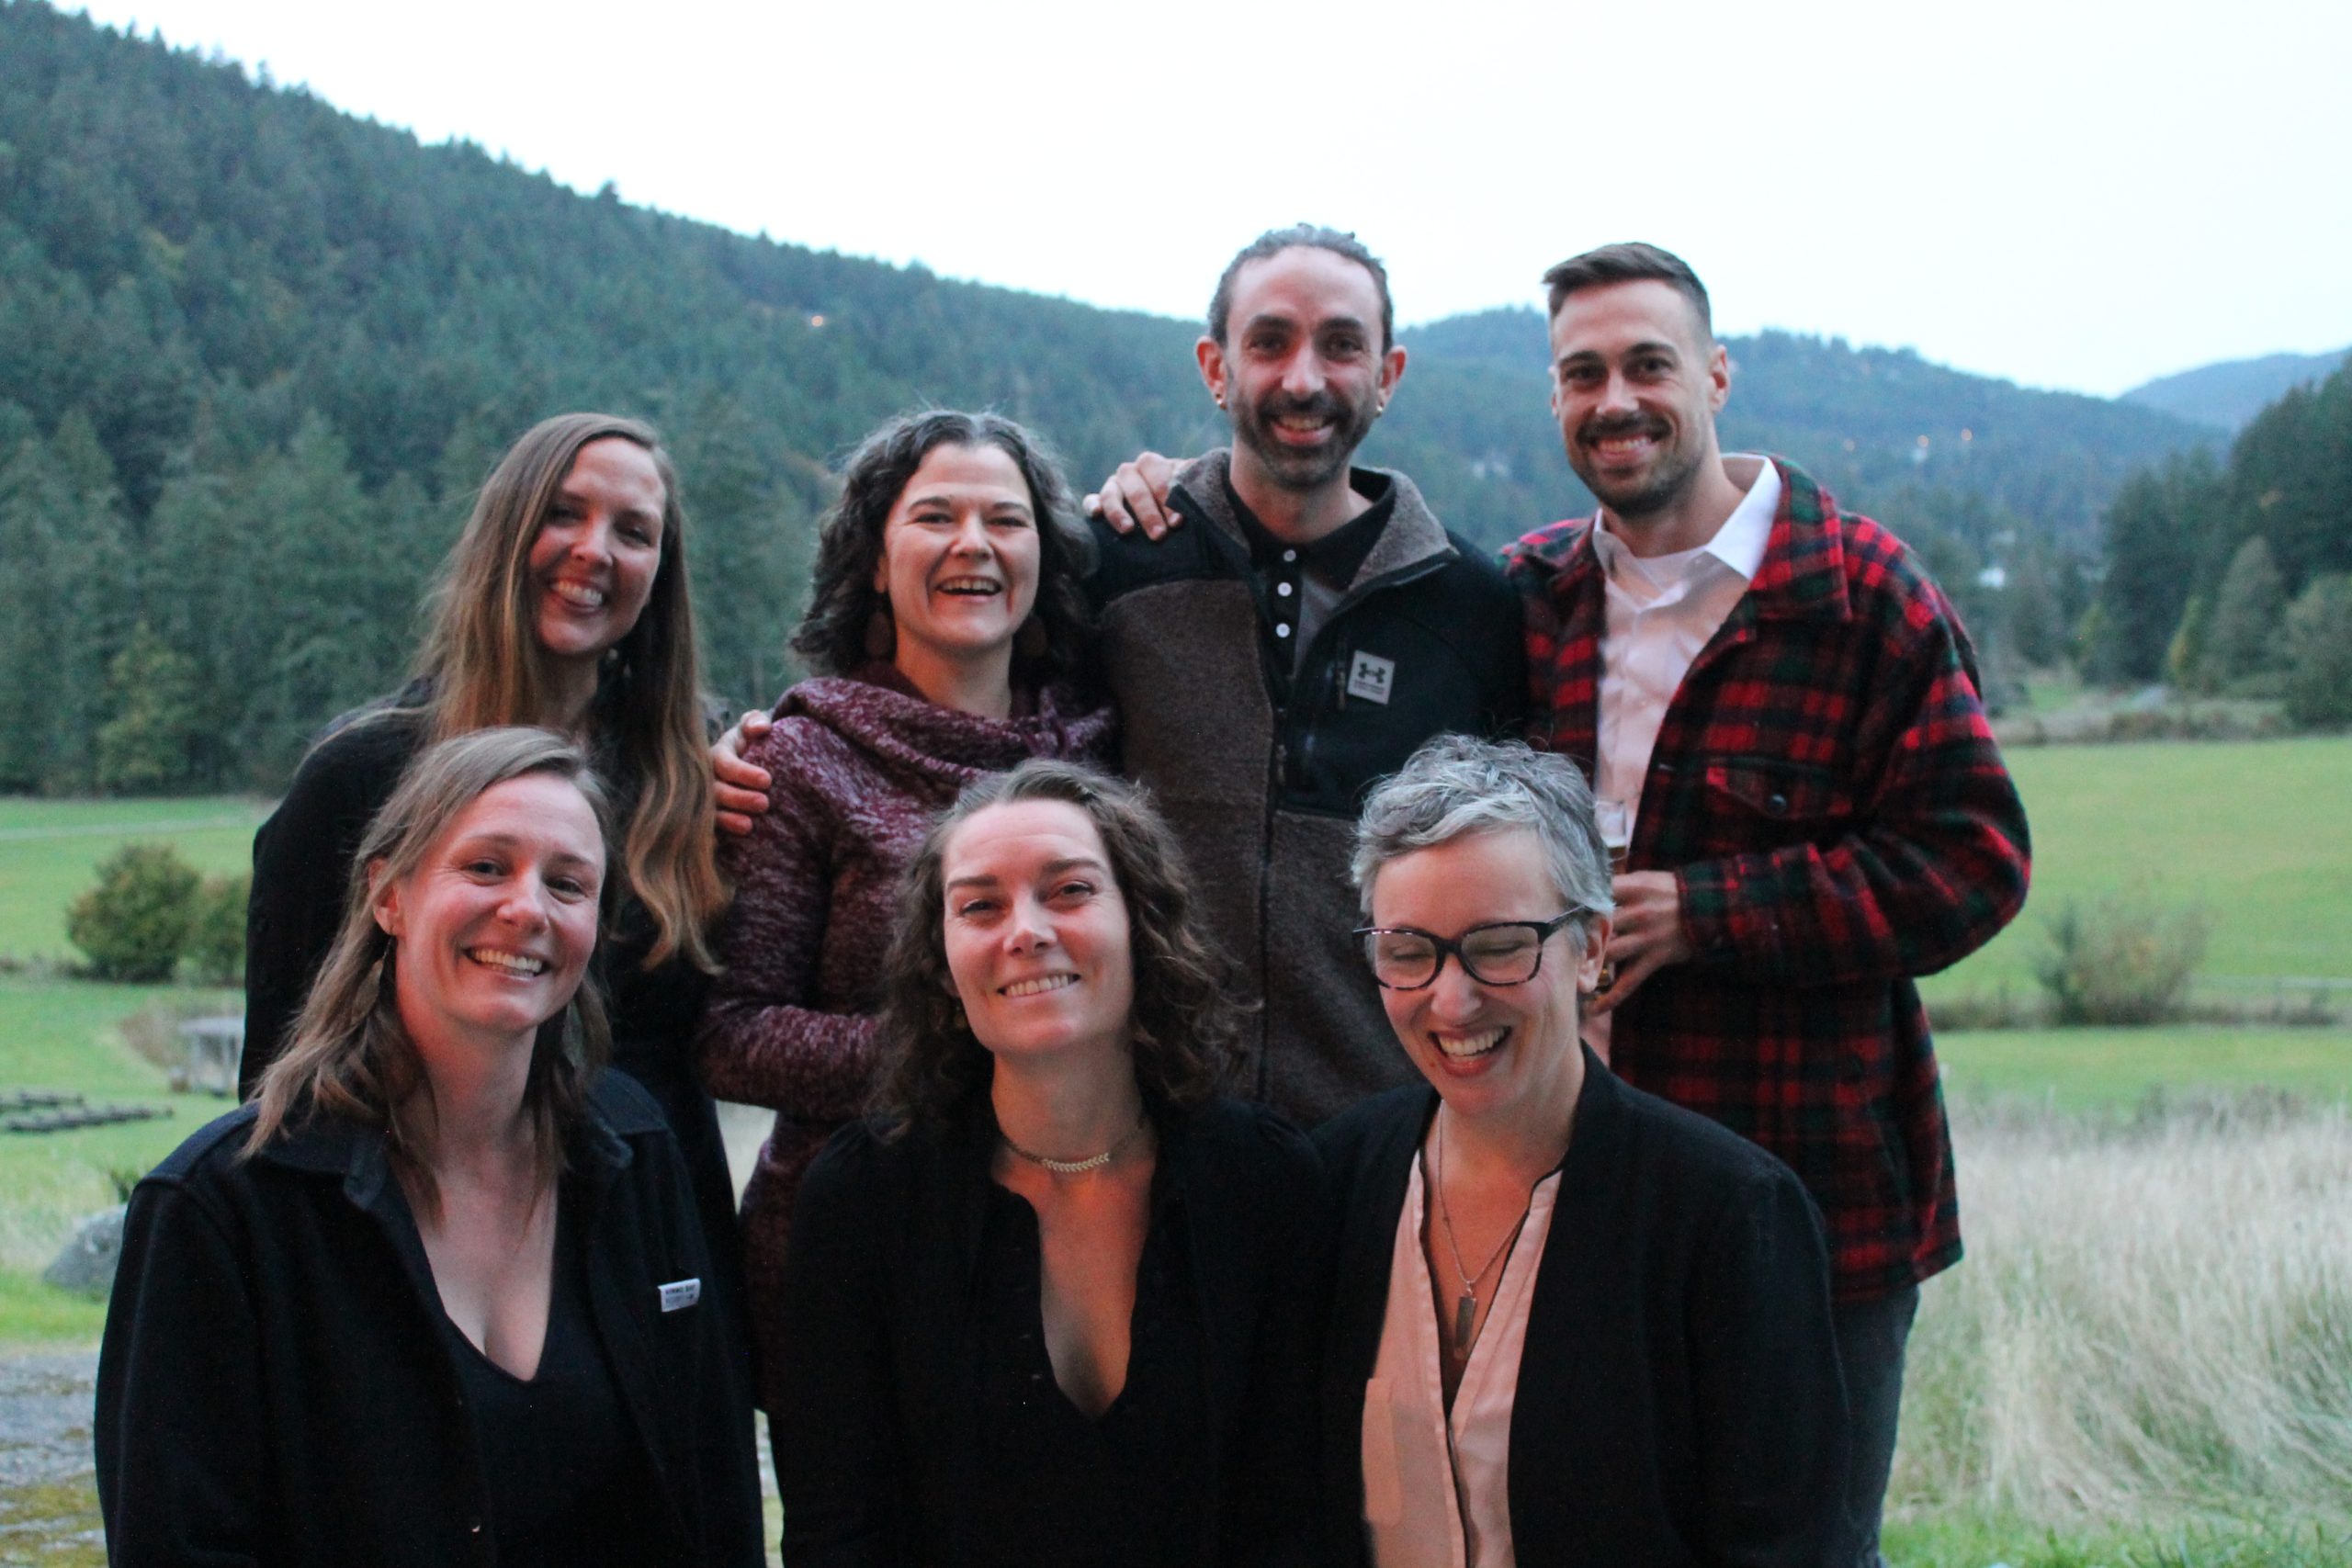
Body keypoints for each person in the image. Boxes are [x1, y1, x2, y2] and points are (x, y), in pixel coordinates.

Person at [1503, 243, 2030, 1564]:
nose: (1613, 398)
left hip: (1815, 1197)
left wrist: (1709, 911)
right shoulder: (1529, 597)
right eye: (1581, 373)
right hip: (1577, 1188)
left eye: (1646, 365)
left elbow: (1976, 860)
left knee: (1798, 1549)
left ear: (1717, 374)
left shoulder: (1861, 596)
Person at [96, 728, 763, 1568]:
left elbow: (715, 1512)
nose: (526, 908)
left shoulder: (634, 1156)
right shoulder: (220, 1209)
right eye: (485, 866)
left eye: (568, 883)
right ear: (389, 895)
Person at [774, 759, 1324, 1567]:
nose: (1025, 930)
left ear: (1143, 922)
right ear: (943, 960)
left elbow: (1297, 1517)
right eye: (980, 905)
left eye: (1068, 889)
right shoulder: (862, 1198)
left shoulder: (1265, 1180)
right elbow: (838, 1530)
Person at [1317, 734, 1849, 1567]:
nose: (1451, 1001)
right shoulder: (1338, 1180)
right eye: (1409, 952)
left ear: (1592, 947)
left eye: (1498, 945)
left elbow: (1784, 1545)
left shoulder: (1728, 1216)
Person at [238, 412, 741, 1284]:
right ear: (506, 529)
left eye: (633, 532)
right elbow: (277, 1081)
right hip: (418, 1260)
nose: (595, 551)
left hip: (651, 1253)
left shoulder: (695, 781)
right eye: (563, 513)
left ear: (660, 575)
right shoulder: (364, 778)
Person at [696, 409, 1114, 1413]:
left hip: (1072, 1245)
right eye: (935, 517)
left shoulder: (1100, 757)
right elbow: (731, 1032)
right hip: (851, 1255)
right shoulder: (797, 759)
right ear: (875, 564)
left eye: (1004, 521)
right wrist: (963, 1054)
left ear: (1041, 560)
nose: (972, 544)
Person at [1080, 223, 1527, 1124]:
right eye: (1269, 341)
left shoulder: (1470, 606)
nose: (1303, 379)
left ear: (1387, 376)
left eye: (1340, 345)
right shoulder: (1115, 564)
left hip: (1384, 1139)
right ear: (1216, 368)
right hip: (1144, 1129)